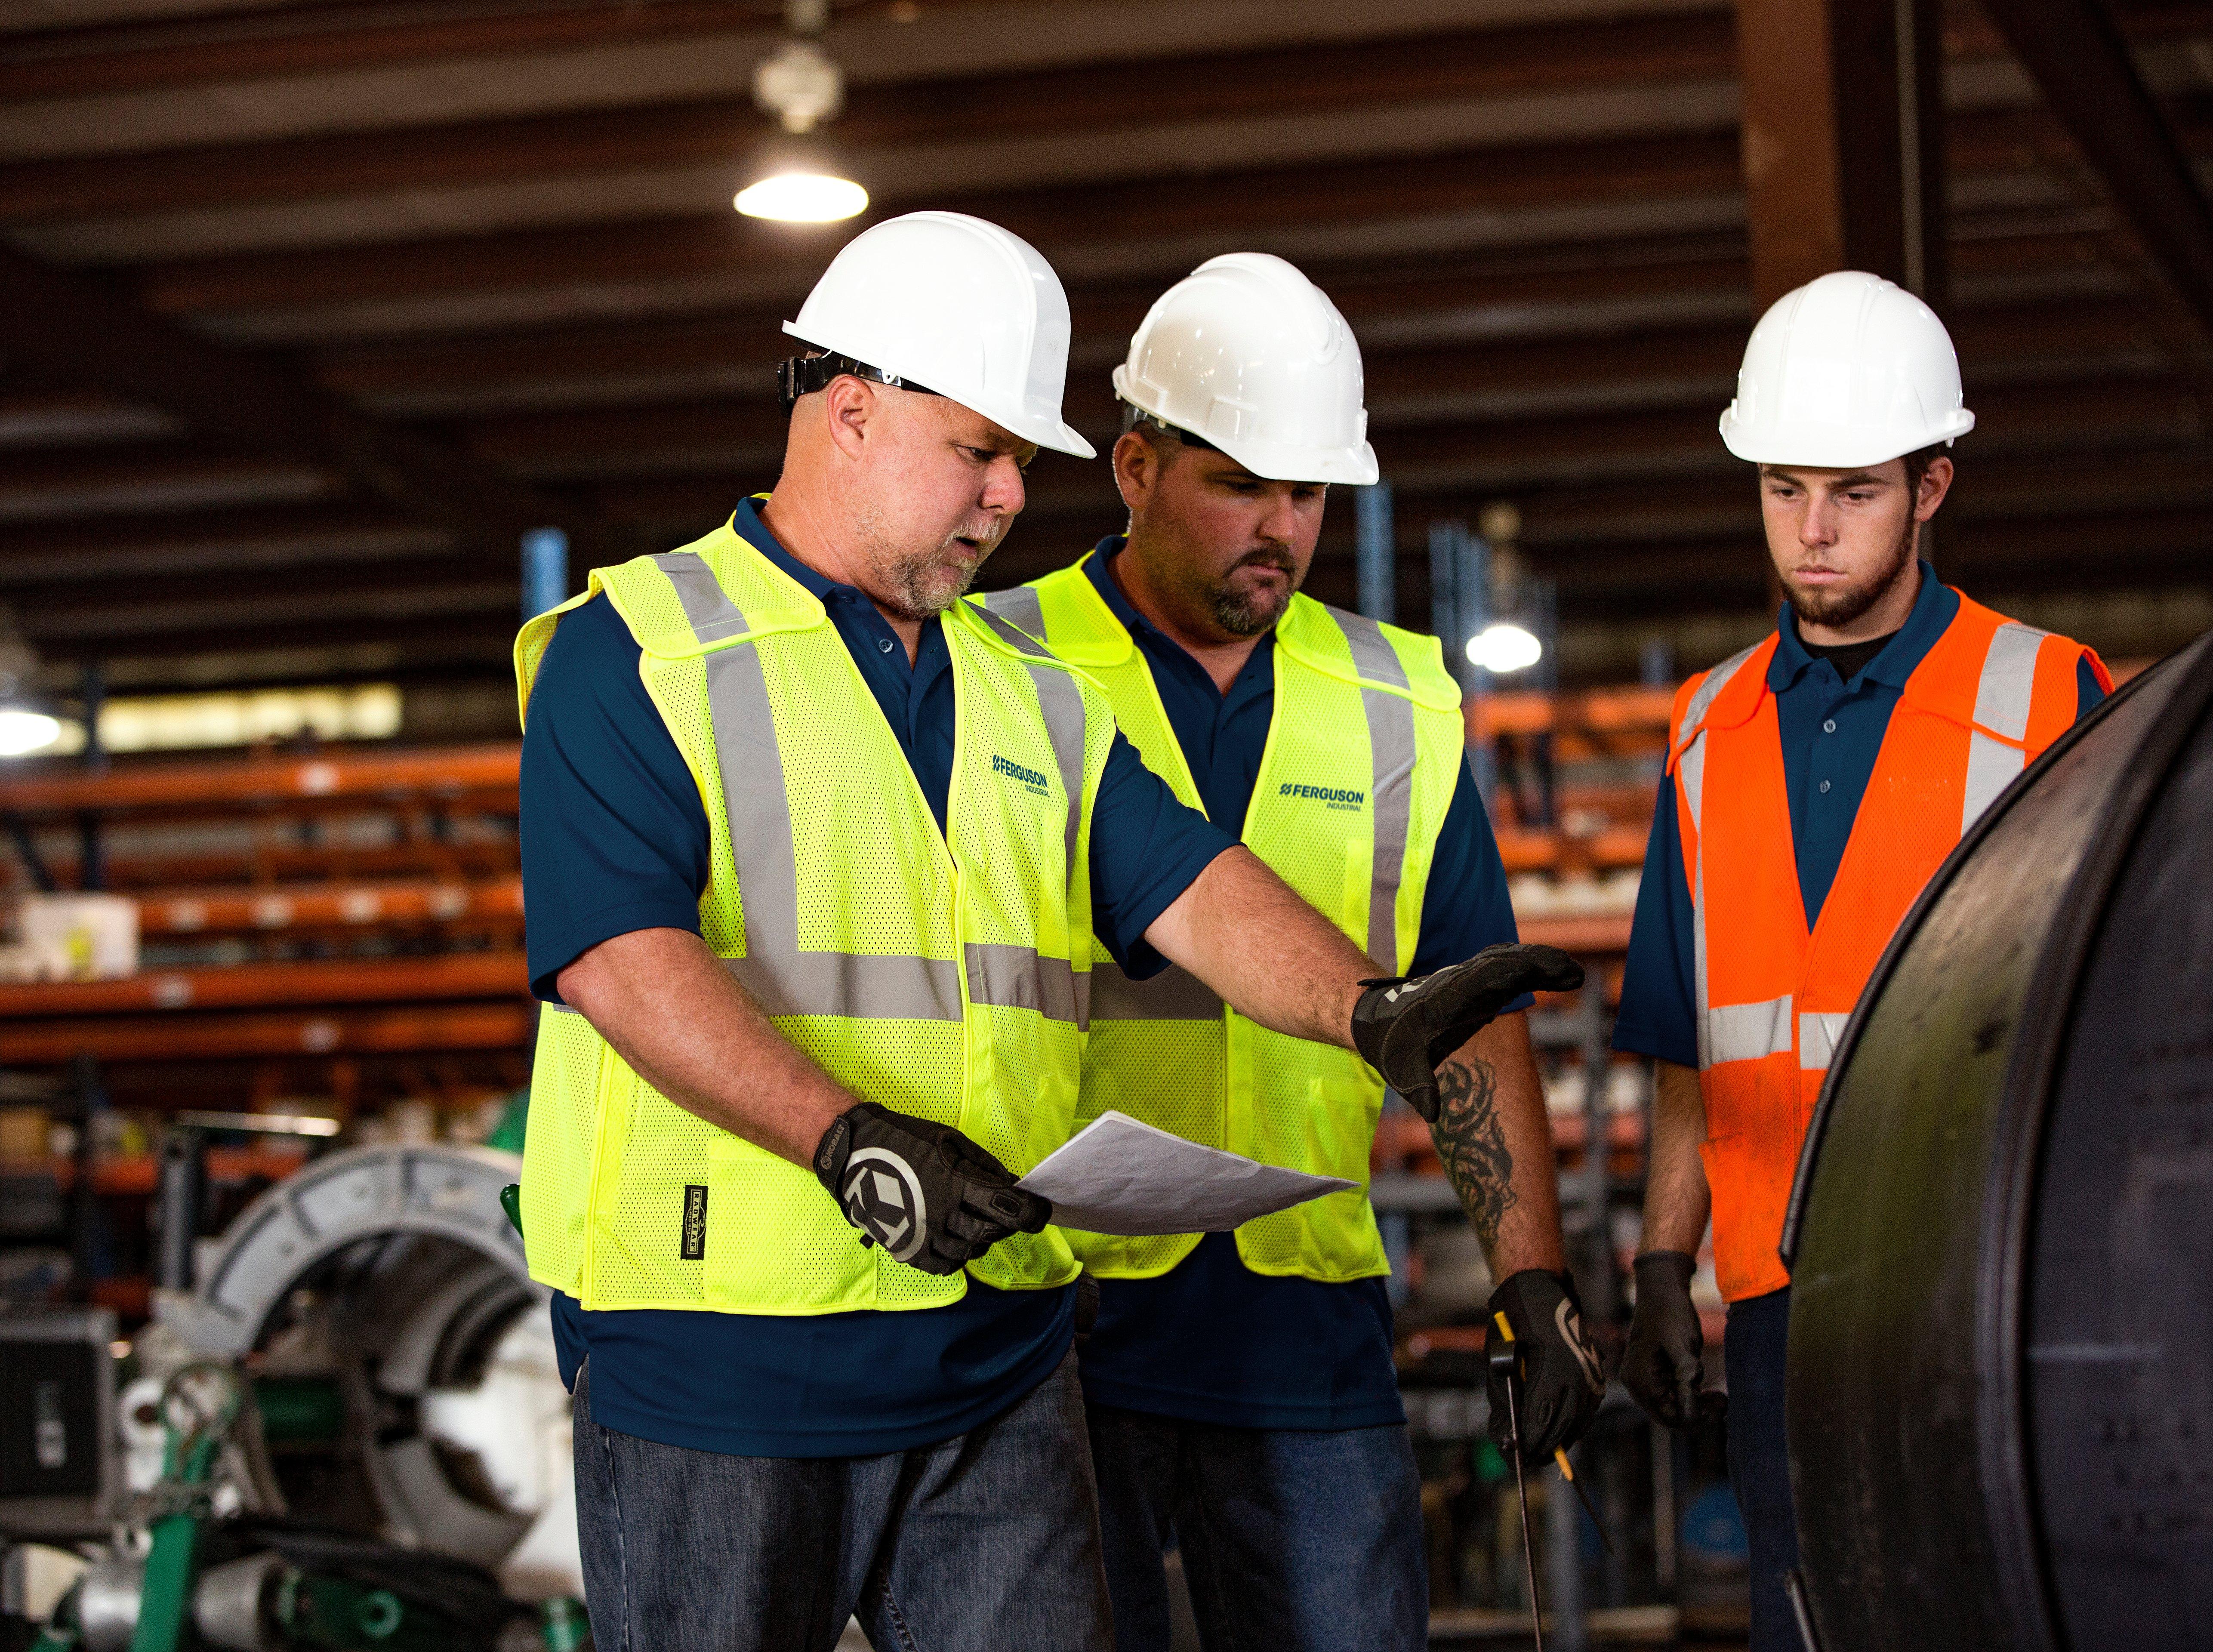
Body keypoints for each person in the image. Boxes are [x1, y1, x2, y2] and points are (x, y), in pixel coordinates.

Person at [511, 212, 1577, 1652]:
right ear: (851, 411)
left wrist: (1368, 1010)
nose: (1014, 496)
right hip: (728, 1362)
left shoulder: (1029, 697)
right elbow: (618, 959)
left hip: (998, 1350)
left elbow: (1194, 884)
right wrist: (846, 1138)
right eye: (982, 452)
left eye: (1024, 462)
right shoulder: (641, 649)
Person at [982, 252, 1603, 1652]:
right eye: (1238, 485)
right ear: (1133, 466)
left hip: (1302, 1309)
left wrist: (1531, 1277)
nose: (1280, 527)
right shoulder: (990, 661)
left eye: (1308, 495)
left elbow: (1471, 1001)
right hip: (1055, 1313)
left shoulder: (1396, 696)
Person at [1612, 270, 2111, 1652]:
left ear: (1934, 486)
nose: (1814, 533)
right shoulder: (1706, 727)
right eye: (1783, 491)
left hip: (1971, 1290)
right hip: (1774, 1309)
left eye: (1855, 492)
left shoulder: (2047, 700)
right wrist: (1665, 1260)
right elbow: (1686, 1035)